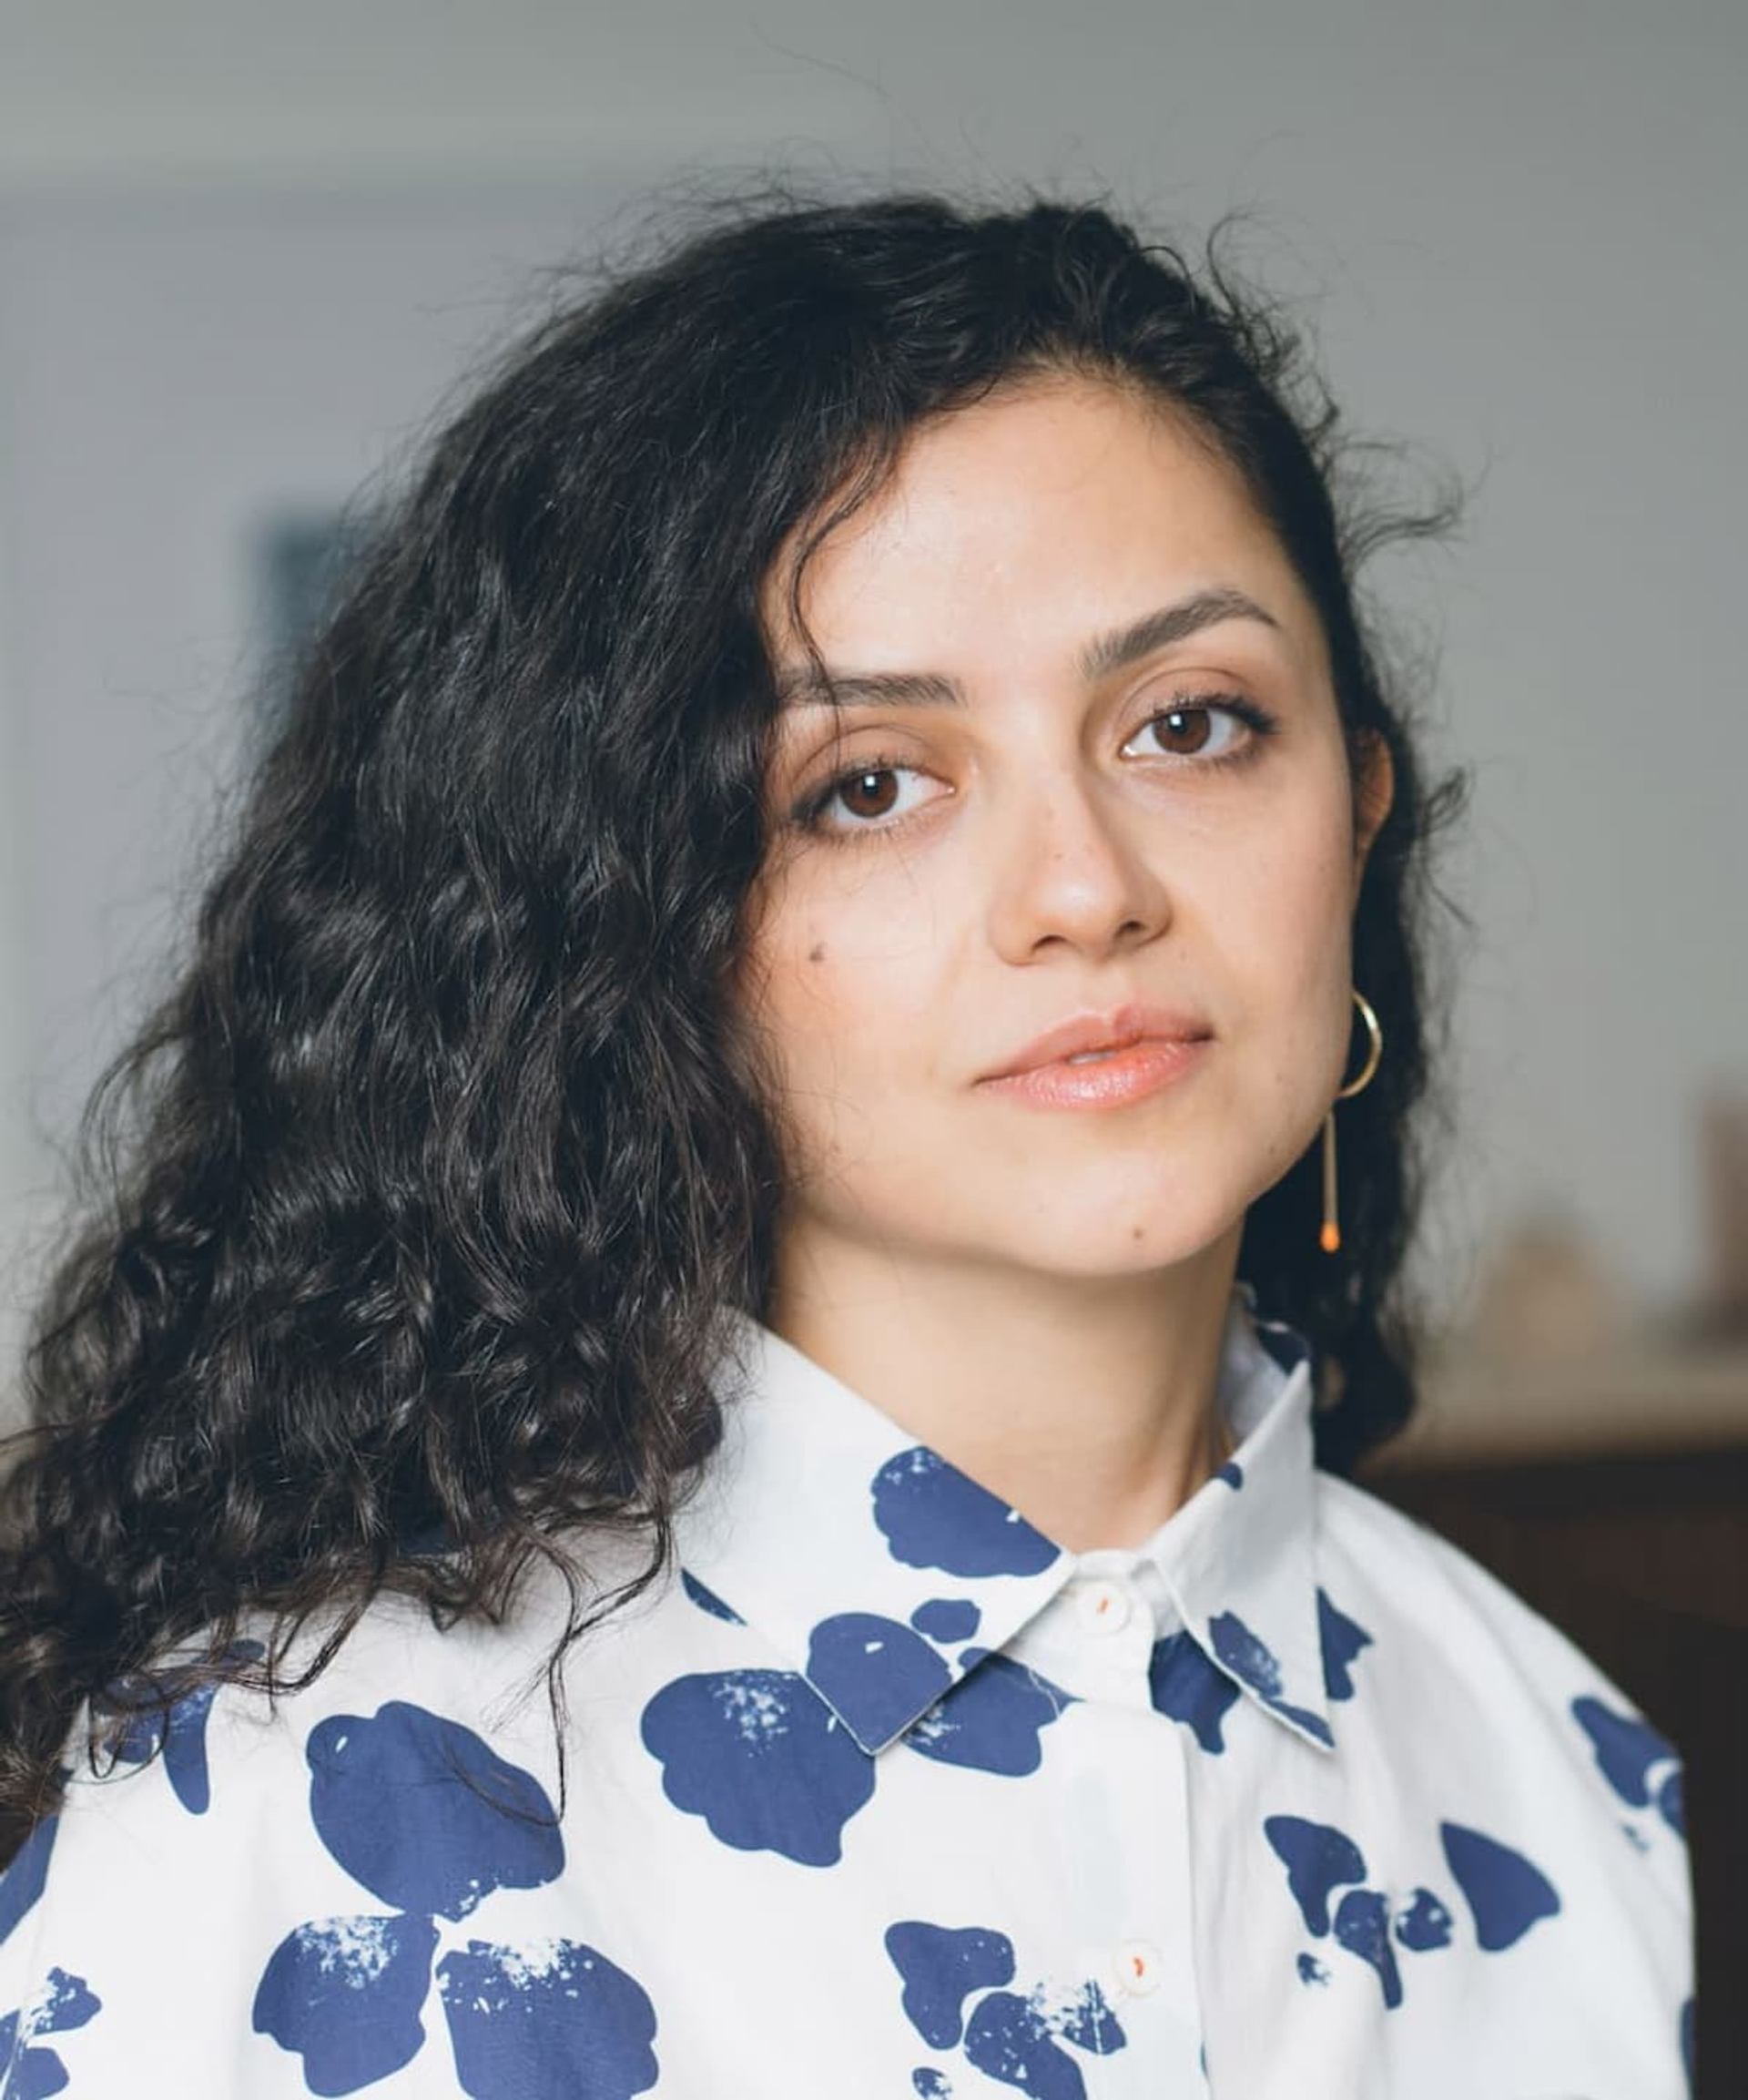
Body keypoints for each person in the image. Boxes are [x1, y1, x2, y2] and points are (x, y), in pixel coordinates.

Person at [0, 187, 1692, 2099]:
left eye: (1191, 724)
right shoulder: (285, 1820)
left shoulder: (1563, 1775)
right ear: (641, 917)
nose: (1085, 888)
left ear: (1361, 807)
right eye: (869, 785)